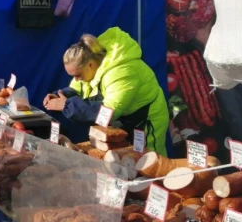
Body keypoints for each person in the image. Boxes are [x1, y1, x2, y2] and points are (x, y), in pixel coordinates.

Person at [44, 27, 169, 155]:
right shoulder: (91, 65)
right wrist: (60, 95)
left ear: (90, 65)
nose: (76, 79)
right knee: (125, 158)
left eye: (77, 75)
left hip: (147, 118)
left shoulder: (121, 72)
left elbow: (108, 112)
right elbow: (78, 87)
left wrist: (67, 105)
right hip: (125, 117)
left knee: (150, 160)